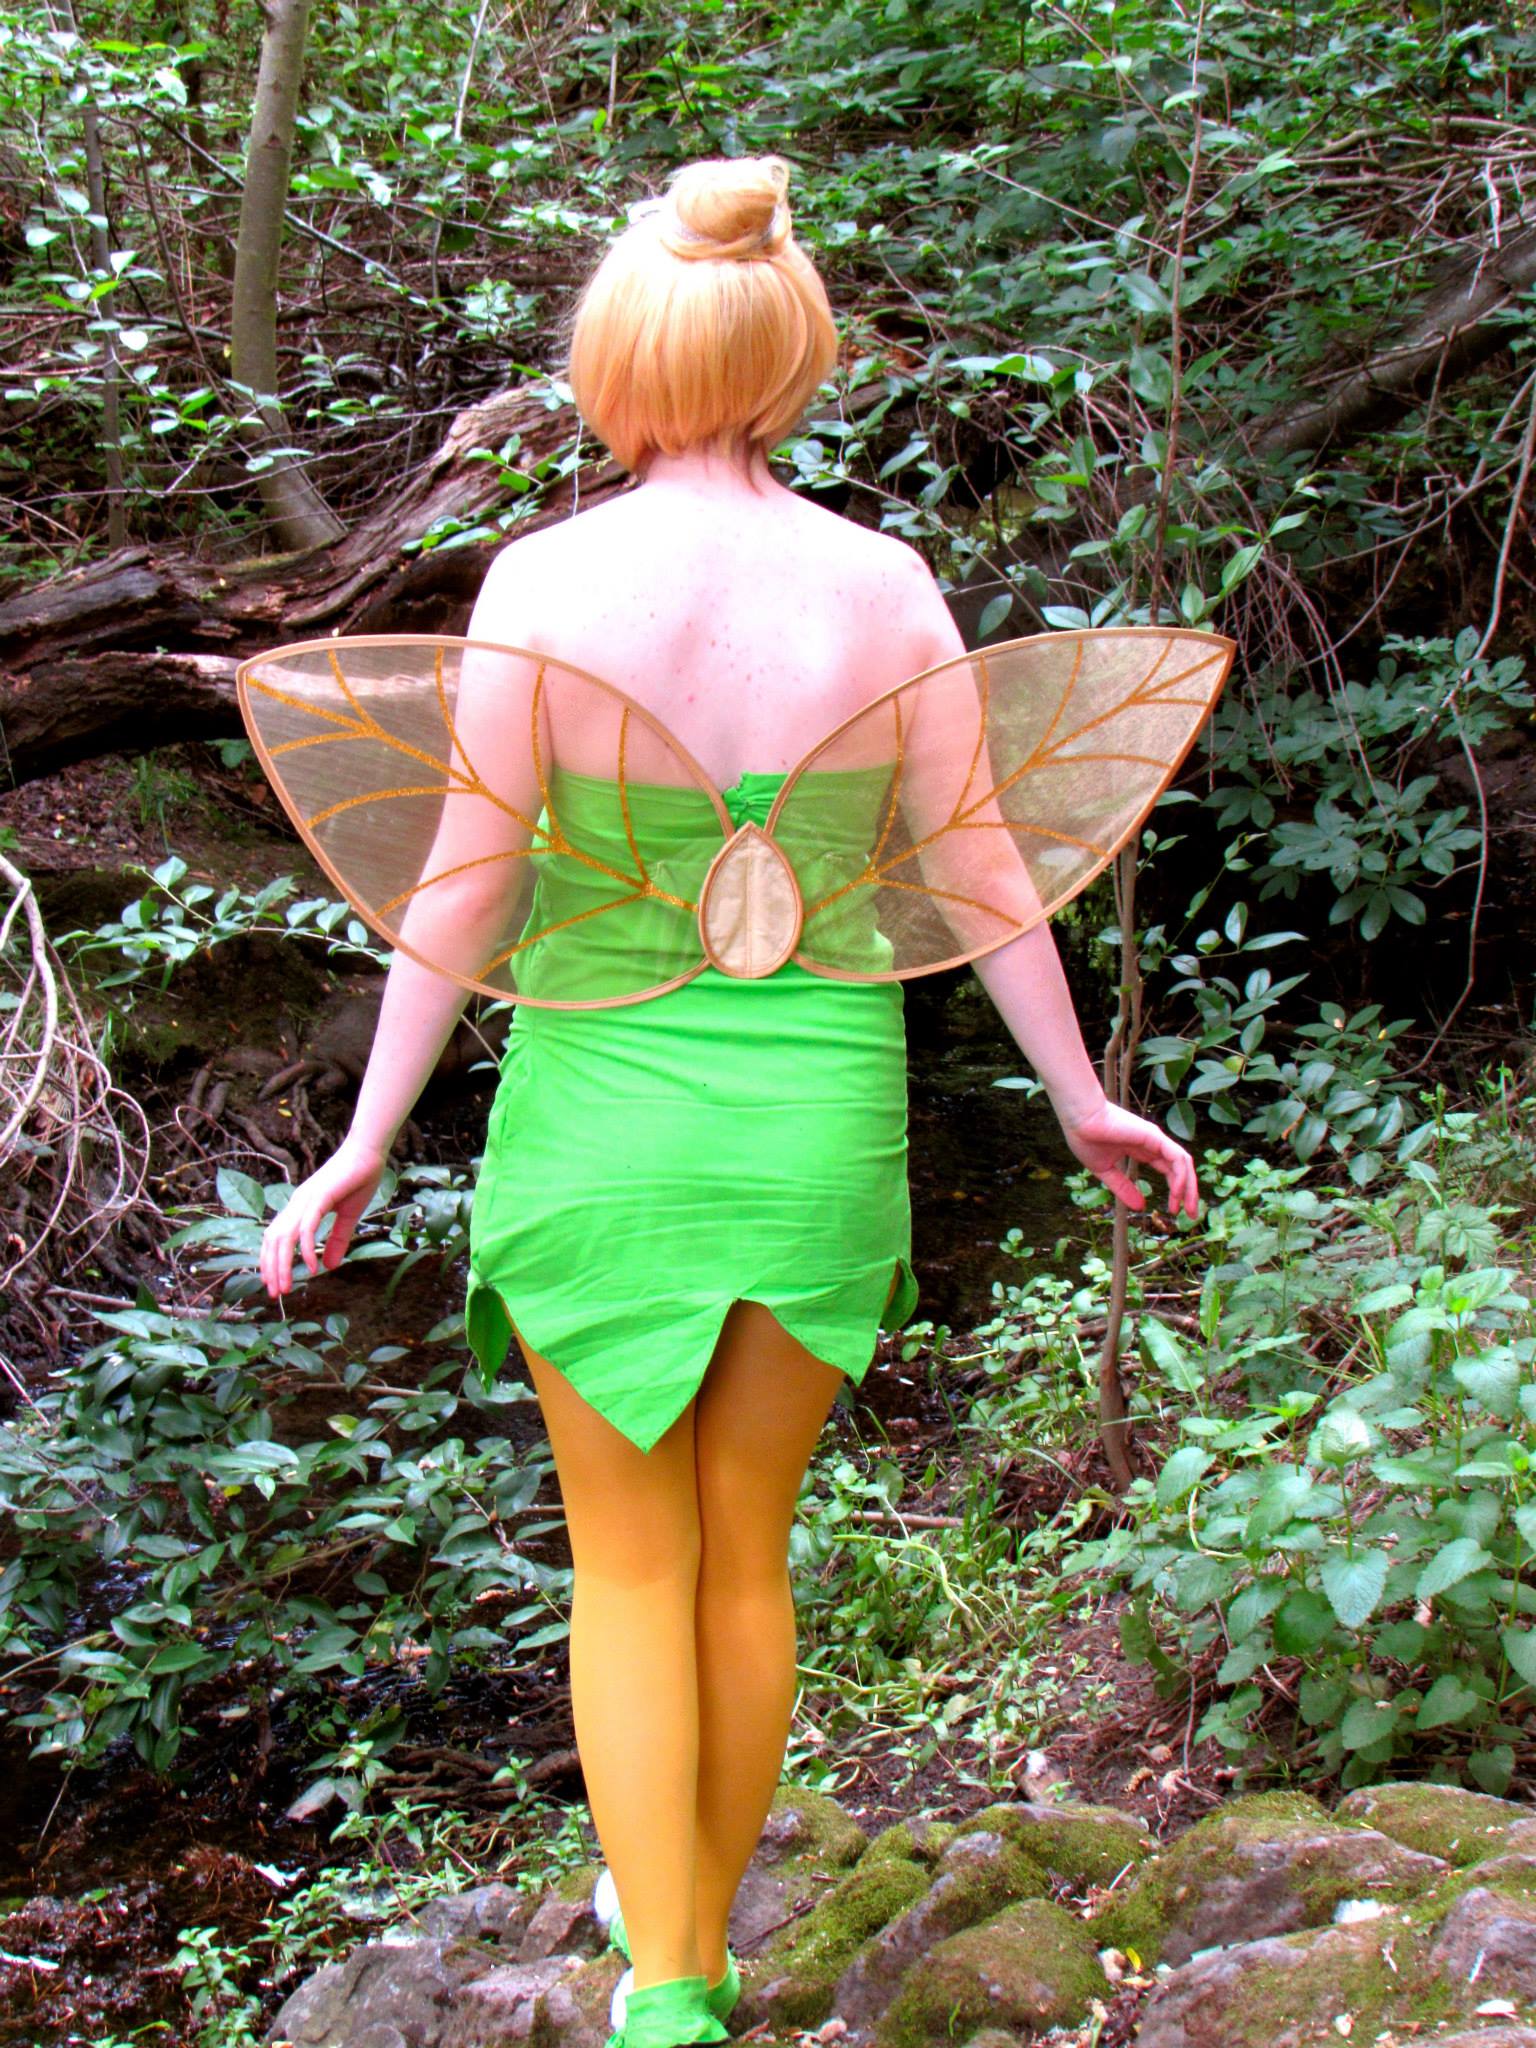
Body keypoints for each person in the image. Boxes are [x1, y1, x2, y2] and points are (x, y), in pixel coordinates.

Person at [257, 154, 1199, 2048]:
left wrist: (364, 1138)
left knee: (630, 1564)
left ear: (622, 352)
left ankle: (670, 1988)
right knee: (744, 1555)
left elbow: (465, 890)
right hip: (812, 1125)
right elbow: (987, 872)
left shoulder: (543, 582)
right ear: (791, 352)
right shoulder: (886, 584)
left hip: (602, 1124)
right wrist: (1081, 1097)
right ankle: (690, 1940)